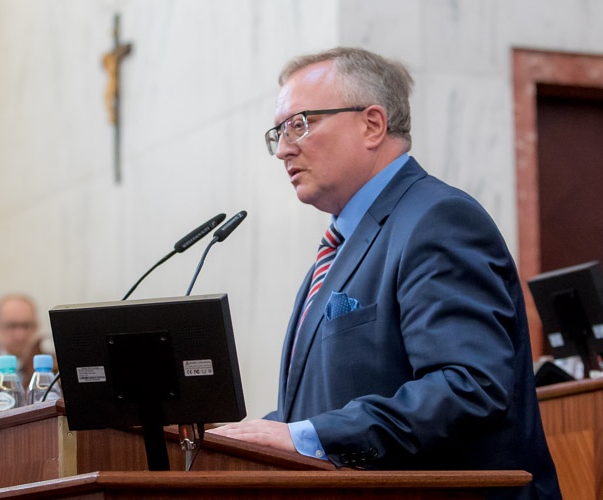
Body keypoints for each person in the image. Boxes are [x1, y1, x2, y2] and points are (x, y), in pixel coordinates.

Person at [209, 47, 561, 499]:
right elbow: (322, 408)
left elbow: (469, 386)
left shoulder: (438, 220)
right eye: (278, 132)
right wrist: (241, 439)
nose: (283, 149)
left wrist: (308, 435)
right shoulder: (340, 247)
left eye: (299, 124)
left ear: (372, 124)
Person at [0, 293, 56, 385]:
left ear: (36, 327)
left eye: (26, 326)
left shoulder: (51, 368)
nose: (20, 335)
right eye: (12, 326)